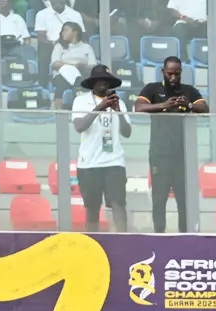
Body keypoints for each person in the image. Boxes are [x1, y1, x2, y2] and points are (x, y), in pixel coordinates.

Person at [136, 56, 208, 234]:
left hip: (183, 155)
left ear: (181, 73)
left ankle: (184, 235)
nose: (173, 78)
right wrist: (164, 105)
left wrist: (189, 105)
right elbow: (139, 107)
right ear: (163, 72)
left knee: (184, 200)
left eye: (177, 74)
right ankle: (159, 235)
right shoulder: (153, 89)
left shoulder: (188, 91)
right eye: (170, 74)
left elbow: (205, 109)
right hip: (159, 154)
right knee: (159, 199)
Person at [72, 65, 132, 233]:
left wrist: (118, 111)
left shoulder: (119, 102)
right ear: (92, 83)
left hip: (114, 161)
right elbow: (79, 126)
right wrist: (100, 107)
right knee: (92, 208)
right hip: (89, 163)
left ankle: (123, 240)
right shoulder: (81, 100)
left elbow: (127, 132)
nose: (103, 84)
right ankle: (92, 242)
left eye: (106, 81)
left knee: (118, 203)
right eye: (99, 81)